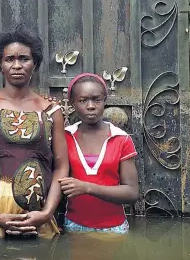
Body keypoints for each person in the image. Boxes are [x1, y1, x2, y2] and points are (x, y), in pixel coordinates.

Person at [0, 27, 68, 239]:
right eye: (9, 59)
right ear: (0, 64)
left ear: (35, 64)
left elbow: (61, 167)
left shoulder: (51, 111)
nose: (17, 65)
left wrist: (46, 213)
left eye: (24, 59)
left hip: (41, 221)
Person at [59, 73, 139, 234]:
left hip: (114, 229)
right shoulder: (65, 137)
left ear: (104, 101)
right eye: (83, 100)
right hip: (74, 226)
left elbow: (131, 192)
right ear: (73, 104)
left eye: (96, 99)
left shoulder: (121, 139)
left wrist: (87, 187)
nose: (90, 106)